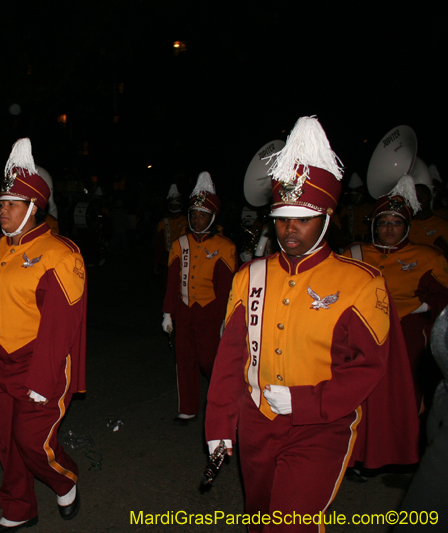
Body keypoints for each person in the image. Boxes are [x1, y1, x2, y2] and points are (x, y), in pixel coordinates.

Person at [205, 117, 419, 532]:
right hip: (256, 419)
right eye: (282, 217)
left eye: (303, 218)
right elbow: (232, 355)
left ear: (326, 217)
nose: (289, 229)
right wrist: (219, 424)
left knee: (293, 524)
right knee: (260, 518)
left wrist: (307, 402)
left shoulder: (360, 282)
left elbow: (369, 365)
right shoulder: (250, 275)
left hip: (322, 425)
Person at [0, 138, 86, 533]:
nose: (1, 210)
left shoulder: (60, 254)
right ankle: (18, 509)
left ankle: (65, 480)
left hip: (39, 362)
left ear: (34, 207)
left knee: (32, 441)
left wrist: (43, 380)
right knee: (7, 444)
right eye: (0, 203)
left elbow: (60, 327)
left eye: (10, 204)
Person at [342, 176, 448, 410]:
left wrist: (420, 307)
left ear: (406, 226)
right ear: (374, 226)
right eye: (383, 223)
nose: (389, 229)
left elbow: (443, 300)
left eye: (396, 222)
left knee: (406, 389)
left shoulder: (428, 256)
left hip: (406, 331)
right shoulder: (354, 253)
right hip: (361, 330)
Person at [162, 172, 236, 423]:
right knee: (184, 360)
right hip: (184, 309)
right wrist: (167, 312)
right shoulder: (179, 244)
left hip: (210, 311)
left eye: (202, 215)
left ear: (212, 217)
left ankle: (223, 405)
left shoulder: (225, 247)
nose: (196, 219)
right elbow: (172, 282)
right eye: (193, 214)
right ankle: (189, 407)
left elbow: (227, 288)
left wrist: (227, 318)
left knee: (210, 361)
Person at [154, 184, 188, 275]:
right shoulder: (163, 222)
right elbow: (159, 244)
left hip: (183, 257)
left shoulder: (186, 221)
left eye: (176, 205)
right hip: (167, 258)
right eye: (172, 205)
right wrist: (157, 261)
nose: (174, 207)